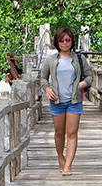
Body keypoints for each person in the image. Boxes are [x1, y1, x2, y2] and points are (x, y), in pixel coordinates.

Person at [39, 27, 93, 176]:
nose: (65, 42)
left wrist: (82, 84)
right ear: (57, 42)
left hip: (74, 101)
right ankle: (60, 159)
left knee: (72, 133)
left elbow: (90, 77)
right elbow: (42, 77)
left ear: (72, 41)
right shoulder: (51, 60)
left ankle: (68, 166)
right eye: (61, 40)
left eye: (68, 39)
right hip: (56, 101)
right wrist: (47, 89)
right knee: (59, 133)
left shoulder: (78, 59)